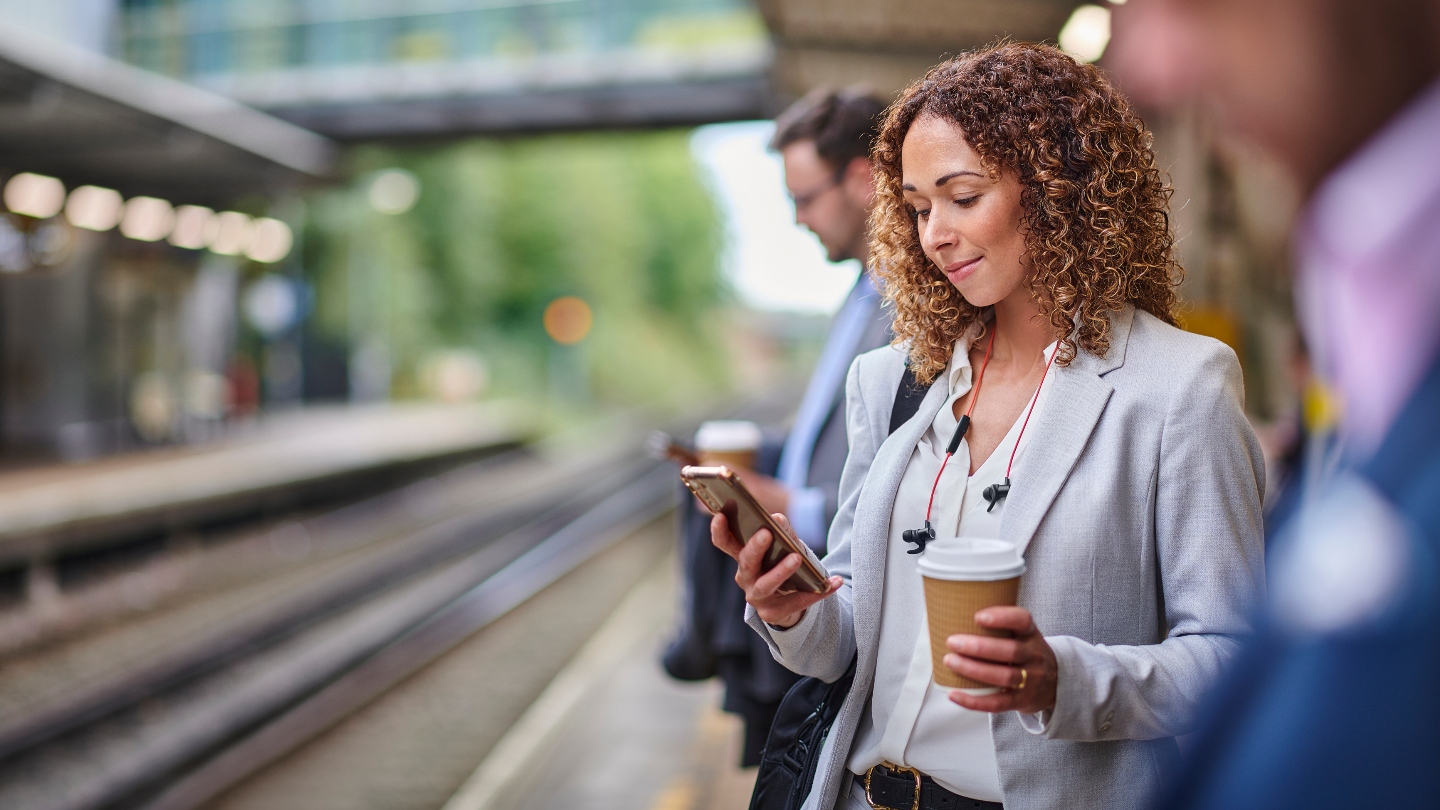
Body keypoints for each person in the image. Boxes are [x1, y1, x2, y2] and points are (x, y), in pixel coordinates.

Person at [712, 43, 1266, 810]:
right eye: (915, 207)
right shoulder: (893, 381)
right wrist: (791, 608)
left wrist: (1060, 680)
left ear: (1057, 190)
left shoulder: (1179, 387)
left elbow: (1235, 664)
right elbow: (845, 640)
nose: (934, 233)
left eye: (962, 196)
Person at [1105, 1, 1440, 807]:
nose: (1150, 66)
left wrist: (1065, 678)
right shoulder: (1373, 302)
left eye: (1194, 3)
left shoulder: (1188, 377)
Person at [663, 88, 892, 766]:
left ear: (861, 178)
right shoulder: (860, 294)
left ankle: (700, 640)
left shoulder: (907, 304)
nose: (797, 219)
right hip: (810, 596)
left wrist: (797, 504)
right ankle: (702, 636)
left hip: (839, 587)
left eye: (806, 198)